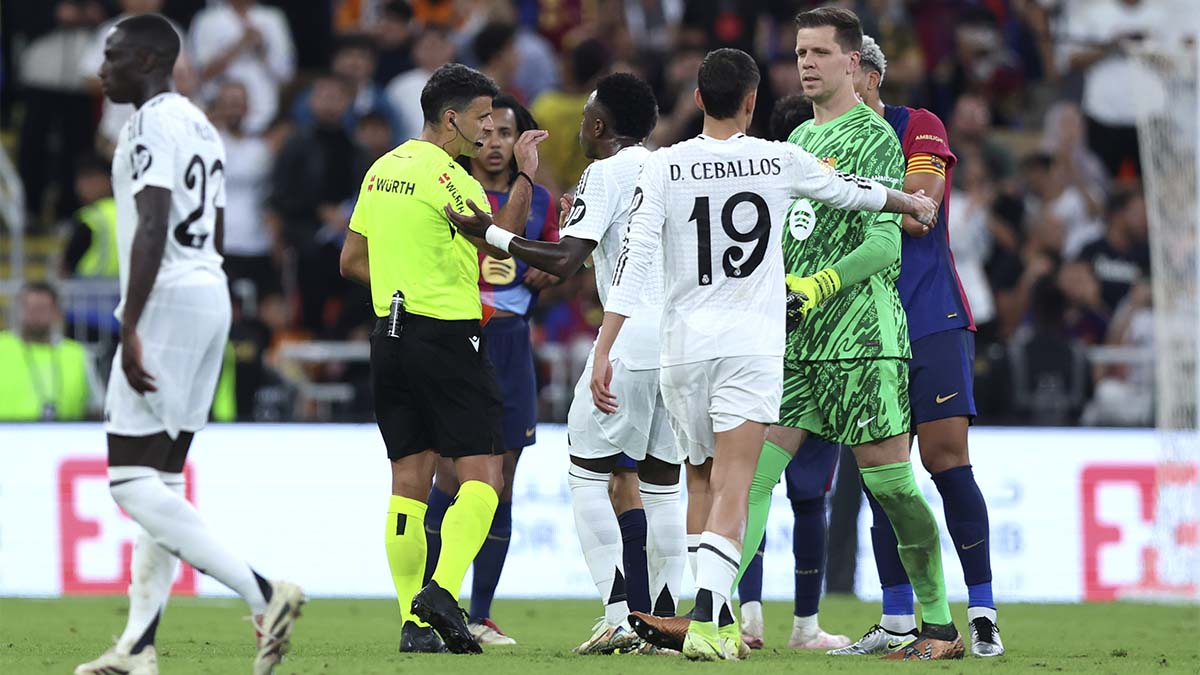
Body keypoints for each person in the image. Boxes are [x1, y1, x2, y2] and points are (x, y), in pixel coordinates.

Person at [587, 47, 937, 661]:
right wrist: (908, 202)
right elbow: (851, 192)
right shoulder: (778, 158)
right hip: (751, 346)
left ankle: (708, 621)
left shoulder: (664, 168)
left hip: (682, 349)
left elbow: (634, 260)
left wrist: (605, 345)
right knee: (736, 484)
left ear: (697, 100)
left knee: (699, 480)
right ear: (752, 102)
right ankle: (708, 625)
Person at [77, 14, 303, 675]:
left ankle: (262, 590)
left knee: (128, 481)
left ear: (149, 58)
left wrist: (131, 322)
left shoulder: (148, 123)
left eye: (113, 55)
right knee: (164, 477)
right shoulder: (202, 124)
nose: (103, 68)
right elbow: (219, 219)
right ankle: (138, 647)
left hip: (168, 299)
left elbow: (151, 224)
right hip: (210, 290)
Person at [445, 72, 685, 656]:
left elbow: (564, 259)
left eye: (584, 118)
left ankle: (617, 615)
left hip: (627, 340)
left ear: (599, 126)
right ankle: (666, 621)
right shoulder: (672, 168)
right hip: (681, 348)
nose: (579, 128)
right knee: (661, 483)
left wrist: (493, 237)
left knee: (587, 474)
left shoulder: (603, 173)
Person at [338, 62, 548, 655]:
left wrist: (403, 286)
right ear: (450, 118)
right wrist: (526, 178)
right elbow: (497, 241)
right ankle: (443, 592)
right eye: (482, 118)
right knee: (486, 477)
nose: (488, 132)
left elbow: (352, 260)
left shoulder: (383, 169)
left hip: (390, 337)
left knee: (409, 479)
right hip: (447, 338)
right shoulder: (444, 175)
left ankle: (413, 622)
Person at [848, 33, 1002, 658]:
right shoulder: (811, 142)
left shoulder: (920, 125)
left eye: (839, 66)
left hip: (929, 316)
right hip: (860, 326)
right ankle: (896, 619)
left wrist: (845, 192)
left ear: (871, 75)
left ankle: (984, 611)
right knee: (884, 478)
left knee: (945, 463)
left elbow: (922, 212)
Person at [421, 94, 559, 646]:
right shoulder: (449, 187)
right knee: (450, 479)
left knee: (501, 483)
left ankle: (478, 613)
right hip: (460, 337)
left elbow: (554, 259)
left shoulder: (542, 198)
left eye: (508, 132)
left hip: (511, 342)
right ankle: (431, 598)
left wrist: (553, 273)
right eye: (490, 131)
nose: (496, 142)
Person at [733, 93, 850, 654]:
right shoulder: (823, 193)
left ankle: (747, 616)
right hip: (820, 348)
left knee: (752, 485)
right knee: (805, 497)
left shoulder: (757, 191)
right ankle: (802, 625)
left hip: (766, 352)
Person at [188, 0, 295, 135]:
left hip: (265, 112)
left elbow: (285, 73)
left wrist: (262, 48)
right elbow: (200, 74)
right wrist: (240, 45)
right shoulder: (208, 20)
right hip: (218, 114)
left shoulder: (272, 18)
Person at [0, 283, 96, 421]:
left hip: (68, 438)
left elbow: (96, 407)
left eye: (42, 309)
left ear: (56, 313)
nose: (36, 315)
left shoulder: (78, 354)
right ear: (18, 311)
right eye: (30, 308)